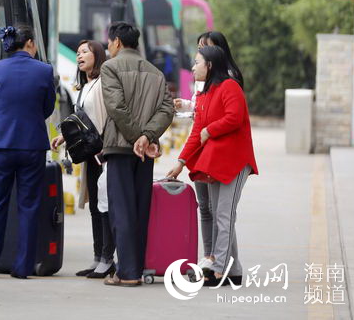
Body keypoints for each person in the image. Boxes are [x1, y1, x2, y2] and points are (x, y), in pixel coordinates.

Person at [166, 45, 258, 287]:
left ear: (210, 65)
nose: (193, 67)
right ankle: (234, 269)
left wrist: (210, 129)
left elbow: (234, 117)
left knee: (224, 216)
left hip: (236, 162)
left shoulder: (229, 86)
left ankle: (219, 268)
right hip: (216, 163)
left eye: (197, 62)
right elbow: (196, 133)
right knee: (220, 215)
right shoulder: (204, 95)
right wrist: (180, 163)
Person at [0, 25, 56, 279]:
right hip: (32, 145)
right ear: (30, 43)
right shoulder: (45, 71)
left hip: (0, 144)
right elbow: (48, 107)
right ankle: (22, 268)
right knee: (29, 206)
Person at [100, 22, 174, 287]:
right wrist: (147, 137)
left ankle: (128, 273)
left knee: (121, 211)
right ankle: (135, 267)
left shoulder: (110, 68)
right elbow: (167, 109)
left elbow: (116, 107)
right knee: (140, 209)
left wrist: (136, 139)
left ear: (117, 42)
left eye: (109, 42)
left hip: (121, 148)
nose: (108, 47)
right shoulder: (155, 72)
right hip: (144, 151)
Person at [52, 40, 115, 278]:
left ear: (97, 55)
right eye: (77, 53)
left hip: (102, 154)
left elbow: (105, 119)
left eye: (85, 52)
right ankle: (98, 256)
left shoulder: (102, 84)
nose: (79, 56)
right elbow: (83, 124)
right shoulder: (84, 86)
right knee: (94, 208)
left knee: (104, 206)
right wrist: (64, 139)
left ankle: (108, 259)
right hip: (90, 153)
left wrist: (105, 147)